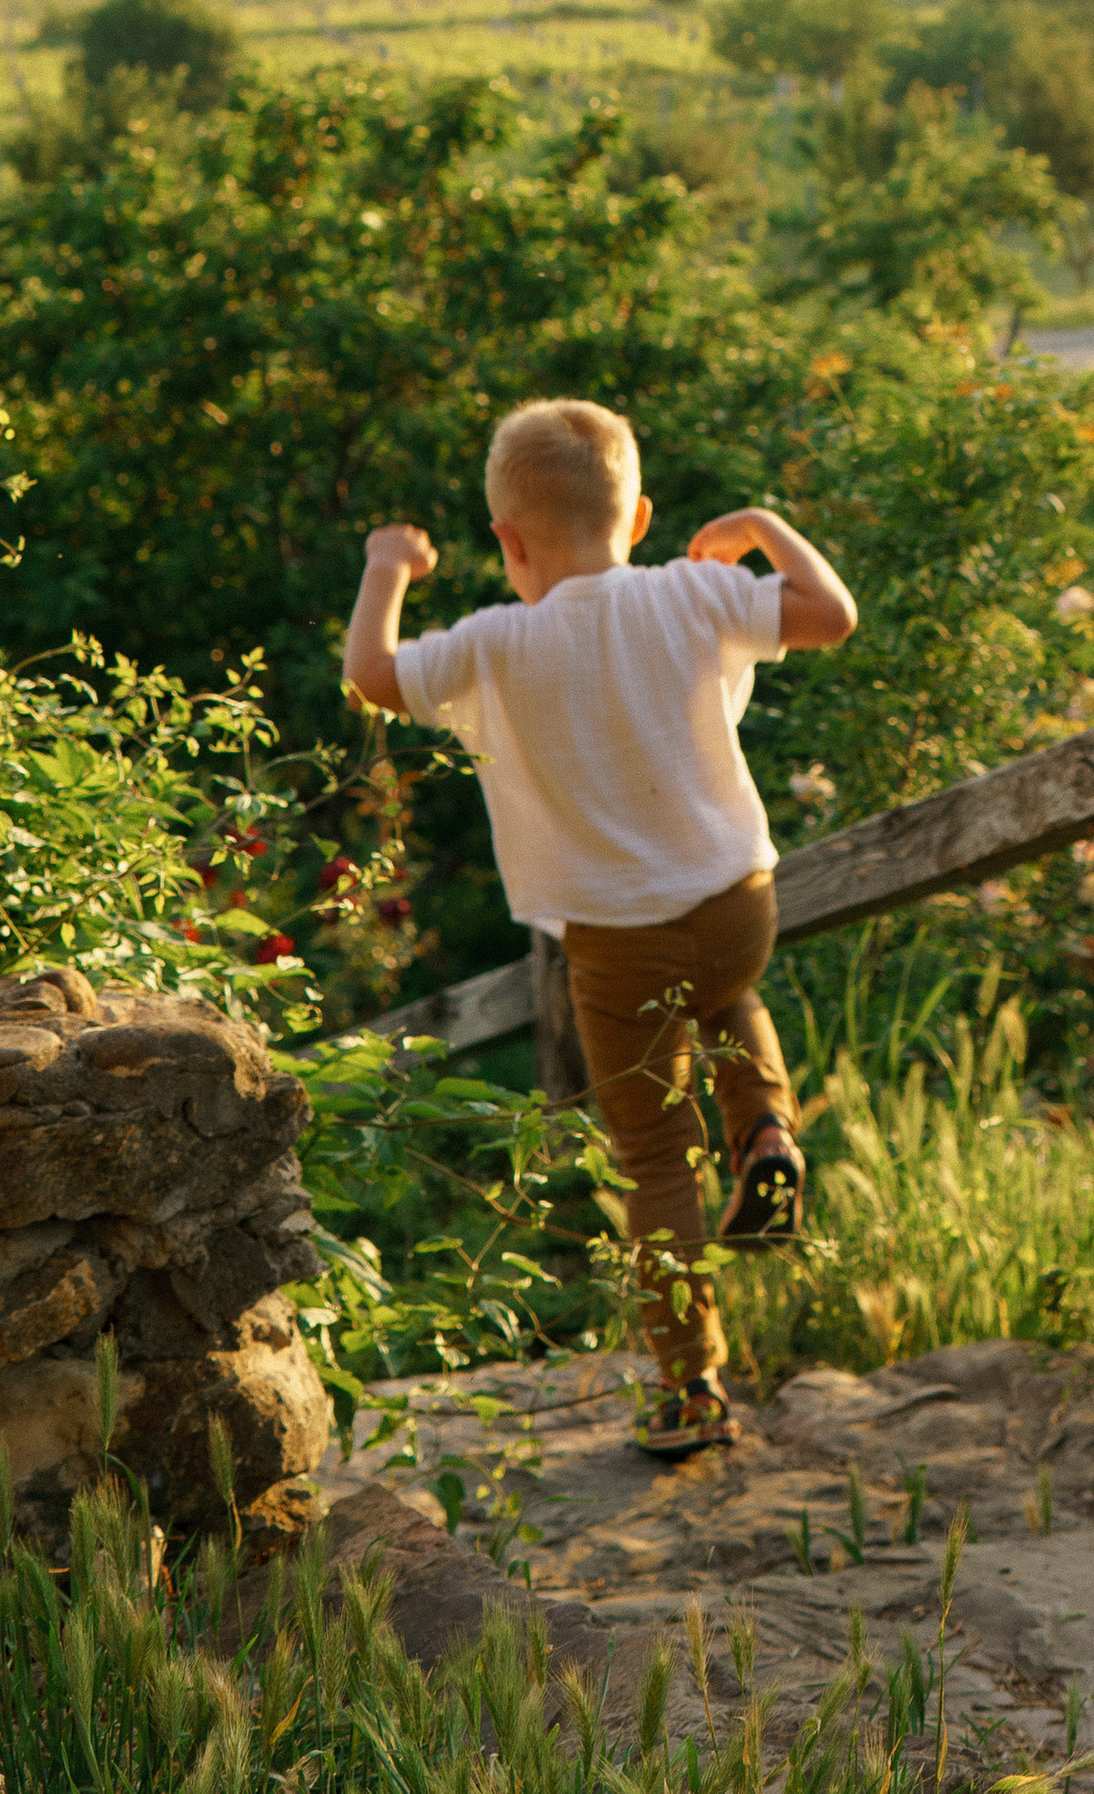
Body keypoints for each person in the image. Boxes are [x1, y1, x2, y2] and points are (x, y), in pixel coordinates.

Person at [342, 395, 858, 1458]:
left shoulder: (494, 644)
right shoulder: (695, 593)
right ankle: (767, 1127)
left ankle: (692, 1389)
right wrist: (760, 525)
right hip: (735, 904)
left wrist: (389, 567)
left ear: (507, 543)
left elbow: (371, 677)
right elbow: (831, 614)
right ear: (638, 519)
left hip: (614, 943)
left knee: (658, 1162)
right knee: (728, 995)